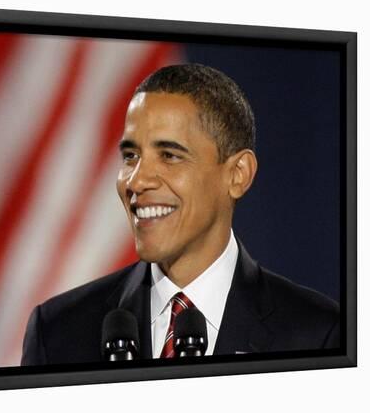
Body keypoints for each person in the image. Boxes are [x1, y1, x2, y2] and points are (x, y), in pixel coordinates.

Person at [21, 63, 339, 366]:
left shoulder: (318, 334)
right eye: (131, 156)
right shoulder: (56, 332)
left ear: (238, 175)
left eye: (170, 155)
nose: (136, 180)